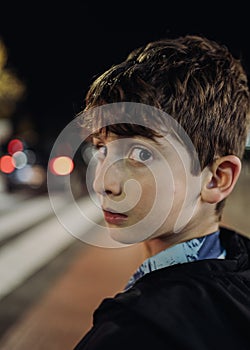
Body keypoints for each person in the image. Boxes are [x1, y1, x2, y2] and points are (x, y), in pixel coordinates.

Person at [73, 34, 250, 349]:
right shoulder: (236, 271)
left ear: (216, 179)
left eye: (142, 155)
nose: (104, 183)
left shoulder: (137, 333)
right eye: (102, 150)